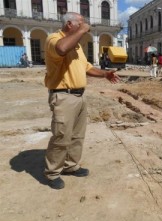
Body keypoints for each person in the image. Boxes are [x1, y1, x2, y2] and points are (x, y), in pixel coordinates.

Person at [44, 12, 120, 189]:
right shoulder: (54, 38)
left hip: (79, 95)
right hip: (63, 96)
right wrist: (82, 30)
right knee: (61, 136)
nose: (85, 26)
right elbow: (61, 49)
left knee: (77, 136)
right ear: (70, 24)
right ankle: (52, 172)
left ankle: (71, 166)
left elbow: (87, 67)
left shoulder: (76, 45)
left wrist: (105, 74)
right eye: (82, 23)